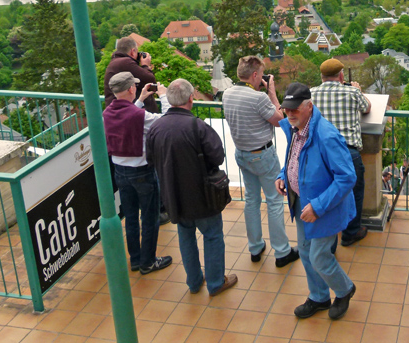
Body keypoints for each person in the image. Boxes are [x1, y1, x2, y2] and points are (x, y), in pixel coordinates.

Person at [147, 79, 238, 296]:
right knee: (212, 235)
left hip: (172, 195)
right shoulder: (198, 126)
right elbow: (217, 156)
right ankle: (216, 283)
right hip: (202, 195)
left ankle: (194, 282)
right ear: (191, 98)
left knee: (185, 236)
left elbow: (150, 160)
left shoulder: (156, 127)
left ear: (169, 100)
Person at [275, 83, 357, 321]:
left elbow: (347, 177)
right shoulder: (296, 127)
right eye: (287, 108)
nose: (290, 113)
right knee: (305, 252)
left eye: (295, 109)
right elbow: (294, 159)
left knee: (320, 256)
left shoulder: (326, 135)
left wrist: (318, 206)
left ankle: (344, 289)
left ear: (309, 106)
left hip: (323, 208)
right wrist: (283, 176)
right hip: (302, 202)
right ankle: (319, 296)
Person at [222, 56, 299, 267]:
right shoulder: (258, 98)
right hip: (262, 155)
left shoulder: (227, 94)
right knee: (274, 201)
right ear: (255, 75)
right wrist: (272, 92)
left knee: (252, 200)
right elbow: (281, 120)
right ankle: (282, 252)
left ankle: (255, 247)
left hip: (242, 154)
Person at [102, 72, 173, 274]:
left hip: (120, 171)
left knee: (131, 218)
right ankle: (148, 262)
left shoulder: (107, 113)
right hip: (142, 171)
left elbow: (129, 115)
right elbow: (166, 121)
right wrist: (164, 96)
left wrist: (140, 100)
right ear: (130, 89)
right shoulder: (139, 116)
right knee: (149, 218)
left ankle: (135, 259)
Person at [311, 58, 372, 247]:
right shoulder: (352, 92)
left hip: (321, 154)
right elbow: (367, 107)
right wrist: (358, 90)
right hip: (348, 152)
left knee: (326, 191)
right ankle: (351, 232)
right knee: (354, 192)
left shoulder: (311, 93)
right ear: (341, 75)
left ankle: (330, 235)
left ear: (321, 77)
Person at [104, 36, 158, 113]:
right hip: (126, 113)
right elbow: (150, 80)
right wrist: (145, 65)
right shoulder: (125, 62)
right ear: (132, 51)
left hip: (118, 111)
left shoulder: (116, 61)